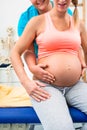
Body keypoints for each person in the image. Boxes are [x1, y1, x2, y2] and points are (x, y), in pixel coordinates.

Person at [10, 0, 87, 130]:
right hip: (46, 86)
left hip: (75, 85)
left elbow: (78, 47)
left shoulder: (77, 22)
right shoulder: (33, 21)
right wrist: (26, 82)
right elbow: (19, 52)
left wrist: (83, 64)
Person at [18, 0, 73, 83]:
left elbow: (74, 44)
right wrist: (33, 68)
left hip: (71, 77)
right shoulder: (26, 18)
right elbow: (29, 50)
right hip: (43, 75)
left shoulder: (66, 11)